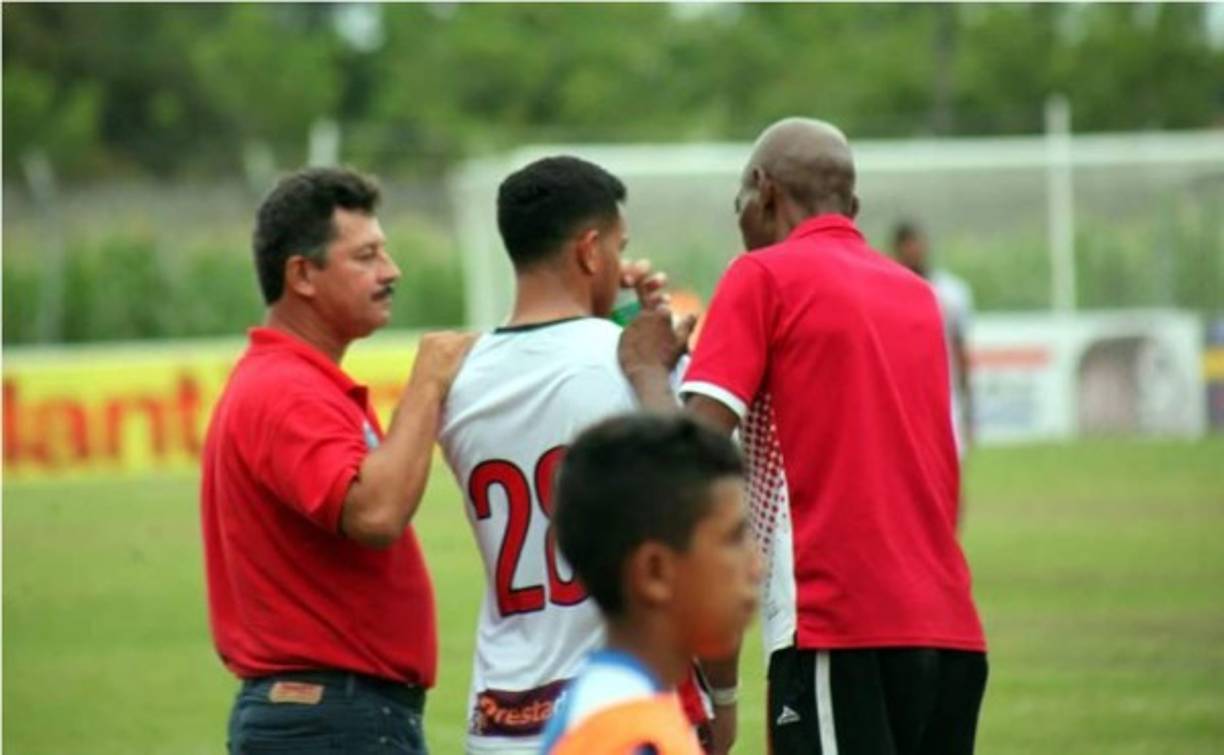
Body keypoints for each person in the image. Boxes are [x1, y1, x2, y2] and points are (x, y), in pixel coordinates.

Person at [620, 118, 988, 755]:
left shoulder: (762, 275)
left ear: (762, 191)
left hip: (839, 627)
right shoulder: (918, 296)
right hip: (951, 634)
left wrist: (647, 369)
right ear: (854, 208)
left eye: (739, 199)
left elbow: (692, 457)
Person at [200, 167, 475, 754]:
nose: (392, 271)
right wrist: (427, 382)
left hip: (330, 712)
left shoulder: (293, 381)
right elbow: (374, 514)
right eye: (367, 256)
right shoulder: (288, 390)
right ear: (302, 274)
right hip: (331, 717)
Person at [437, 155, 704, 755]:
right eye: (618, 245)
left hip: (500, 715)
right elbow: (706, 503)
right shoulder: (637, 363)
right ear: (590, 251)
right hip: (614, 713)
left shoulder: (460, 382)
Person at [540, 413, 762, 755]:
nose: (756, 566)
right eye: (733, 539)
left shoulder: (631, 708)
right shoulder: (624, 735)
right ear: (655, 573)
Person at [893, 220, 976, 459]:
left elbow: (960, 348)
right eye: (907, 245)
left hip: (945, 397)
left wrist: (969, 405)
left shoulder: (950, 293)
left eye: (916, 243)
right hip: (903, 397)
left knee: (948, 472)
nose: (914, 250)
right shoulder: (887, 291)